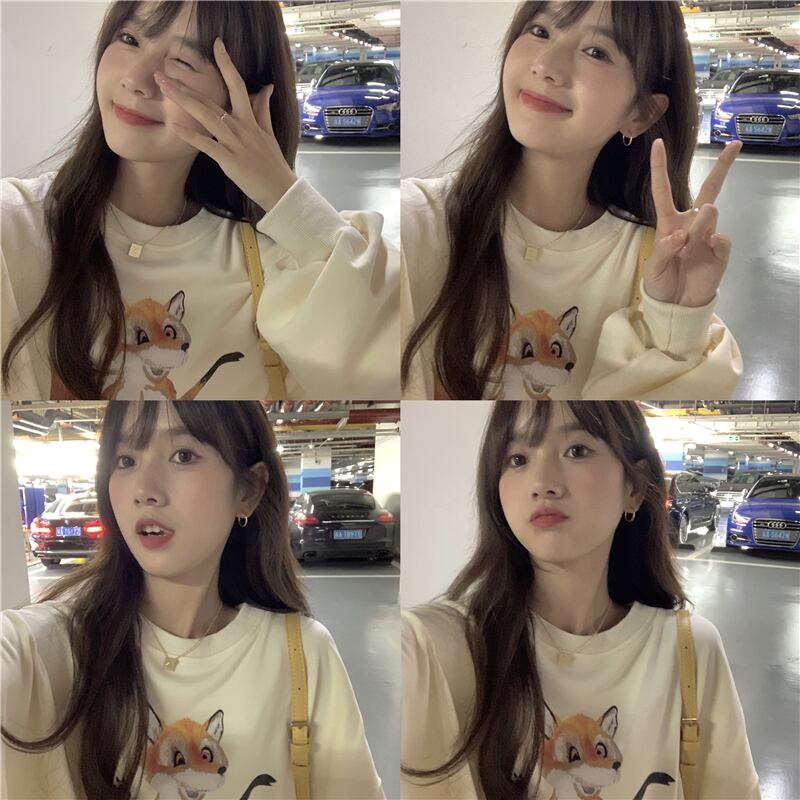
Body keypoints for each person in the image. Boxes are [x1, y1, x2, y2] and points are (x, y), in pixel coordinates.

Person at [1, 1, 398, 401]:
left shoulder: (275, 263)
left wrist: (282, 192)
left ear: (243, 99)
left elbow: (389, 357)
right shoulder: (17, 227)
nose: (136, 80)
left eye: (181, 62)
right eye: (129, 38)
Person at [2, 401, 385, 800]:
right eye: (125, 459)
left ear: (248, 490)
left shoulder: (302, 651)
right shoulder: (55, 646)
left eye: (183, 455)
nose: (144, 491)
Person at [401, 400, 760, 799]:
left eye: (576, 450)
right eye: (518, 459)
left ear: (634, 488)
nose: (543, 483)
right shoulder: (436, 644)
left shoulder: (689, 649)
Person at [401, 0, 742, 400]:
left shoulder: (653, 265)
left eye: (596, 51)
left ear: (641, 113)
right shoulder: (416, 222)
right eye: (540, 31)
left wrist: (676, 321)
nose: (547, 65)